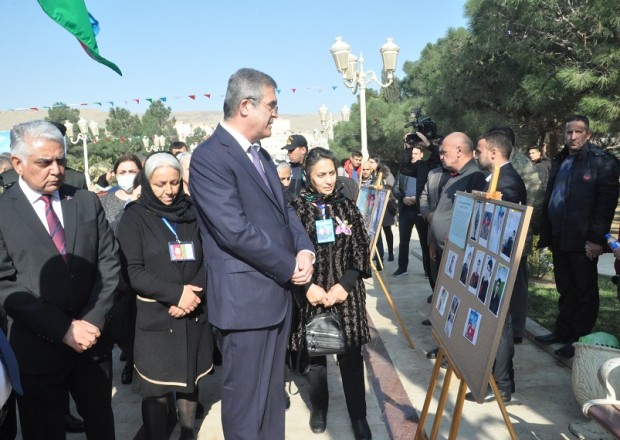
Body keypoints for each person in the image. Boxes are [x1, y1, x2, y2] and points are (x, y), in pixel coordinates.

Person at [189, 68, 315, 440]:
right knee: (246, 407)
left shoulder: (258, 155)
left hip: (275, 299)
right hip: (245, 305)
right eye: (272, 105)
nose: (276, 113)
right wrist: (288, 265)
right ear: (246, 106)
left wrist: (305, 248)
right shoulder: (211, 157)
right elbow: (234, 231)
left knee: (271, 405)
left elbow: (285, 212)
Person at [0, 120, 119, 439]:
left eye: (61, 161)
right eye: (44, 162)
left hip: (92, 342)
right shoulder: (2, 212)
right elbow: (4, 284)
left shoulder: (85, 201)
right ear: (18, 164)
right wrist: (63, 328)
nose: (56, 170)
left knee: (101, 424)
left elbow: (109, 264)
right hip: (37, 347)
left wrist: (92, 321)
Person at [117, 152, 213, 440]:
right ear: (146, 183)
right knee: (155, 390)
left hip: (193, 311)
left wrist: (192, 296)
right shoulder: (134, 217)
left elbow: (209, 259)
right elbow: (133, 272)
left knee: (189, 382)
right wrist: (175, 295)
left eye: (174, 183)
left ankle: (187, 434)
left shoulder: (192, 212)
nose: (169, 191)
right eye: (160, 184)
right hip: (156, 315)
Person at [289, 147, 372, 439]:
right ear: (308, 177)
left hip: (345, 295)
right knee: (316, 357)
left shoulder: (347, 206)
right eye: (320, 175)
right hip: (311, 293)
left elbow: (362, 248)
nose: (328, 180)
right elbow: (287, 252)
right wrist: (308, 287)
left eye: (331, 173)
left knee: (351, 356)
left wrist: (344, 285)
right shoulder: (296, 208)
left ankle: (358, 416)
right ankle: (319, 408)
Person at [535, 115, 619, 358]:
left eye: (578, 132)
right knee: (565, 287)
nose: (573, 137)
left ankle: (578, 339)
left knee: (584, 290)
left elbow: (606, 205)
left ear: (588, 134)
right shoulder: (562, 159)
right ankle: (562, 331)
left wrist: (595, 239)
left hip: (583, 239)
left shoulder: (601, 162)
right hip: (560, 235)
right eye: (568, 132)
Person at [467, 130, 528, 403]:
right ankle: (498, 380)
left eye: (479, 150)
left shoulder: (509, 181)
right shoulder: (495, 178)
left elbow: (506, 227)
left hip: (501, 264)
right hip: (489, 261)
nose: (476, 155)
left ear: (493, 152)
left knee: (500, 325)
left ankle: (502, 386)